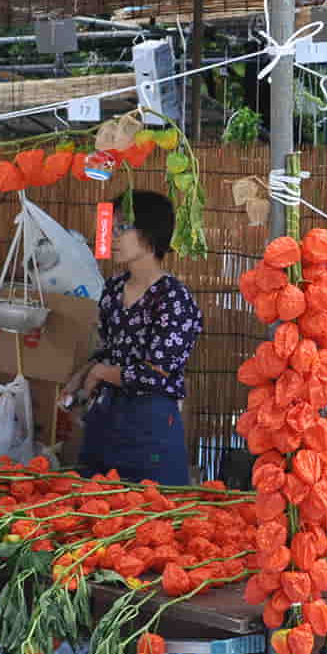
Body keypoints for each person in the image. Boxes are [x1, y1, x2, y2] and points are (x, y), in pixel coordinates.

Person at [75, 190, 202, 486]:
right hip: (105, 418)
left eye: (122, 229)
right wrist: (80, 379)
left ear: (149, 233)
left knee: (155, 516)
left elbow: (157, 374)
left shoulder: (174, 298)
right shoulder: (113, 288)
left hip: (150, 424)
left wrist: (101, 372)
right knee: (93, 508)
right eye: (112, 229)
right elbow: (108, 350)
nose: (113, 238)